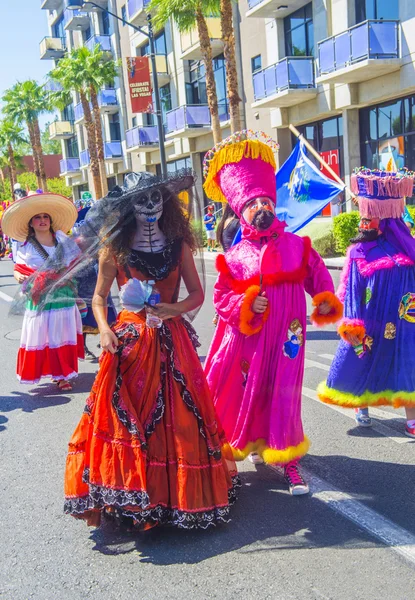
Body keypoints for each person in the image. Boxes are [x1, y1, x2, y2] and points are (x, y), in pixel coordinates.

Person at [64, 171, 239, 530]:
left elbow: (196, 294)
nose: (150, 206)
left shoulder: (178, 245)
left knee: (182, 424)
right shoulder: (115, 248)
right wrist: (105, 329)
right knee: (131, 423)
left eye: (156, 198)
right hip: (130, 344)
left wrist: (171, 310)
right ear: (129, 207)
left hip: (171, 339)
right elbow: (99, 297)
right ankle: (134, 495)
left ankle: (176, 496)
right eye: (142, 200)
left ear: (166, 202)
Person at [203, 131, 343, 495]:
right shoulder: (234, 257)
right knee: (251, 391)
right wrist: (246, 303)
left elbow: (317, 273)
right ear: (241, 211)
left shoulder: (297, 245)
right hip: (250, 342)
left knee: (284, 393)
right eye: (253, 204)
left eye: (266, 200)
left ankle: (289, 462)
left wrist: (325, 297)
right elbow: (220, 298)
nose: (262, 208)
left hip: (289, 339)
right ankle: (251, 442)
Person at [318, 168, 415, 438]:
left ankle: (412, 419)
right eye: (363, 216)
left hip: (405, 322)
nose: (364, 222)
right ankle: (362, 404)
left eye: (369, 216)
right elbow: (352, 289)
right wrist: (352, 321)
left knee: (407, 364)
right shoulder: (358, 252)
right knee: (363, 360)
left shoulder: (409, 249)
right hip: (370, 318)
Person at [1, 191, 83, 391]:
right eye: (37, 217)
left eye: (45, 216)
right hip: (40, 297)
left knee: (61, 334)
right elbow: (19, 270)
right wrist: (19, 277)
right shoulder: (26, 247)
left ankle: (62, 375)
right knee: (43, 335)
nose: (42, 220)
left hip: (62, 296)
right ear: (30, 223)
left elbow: (75, 262)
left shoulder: (62, 239)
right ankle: (49, 371)